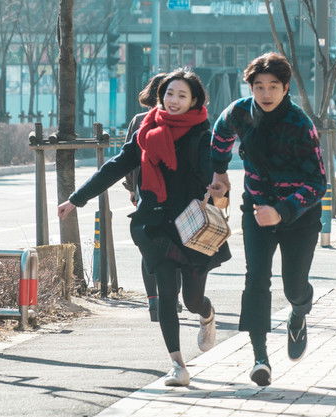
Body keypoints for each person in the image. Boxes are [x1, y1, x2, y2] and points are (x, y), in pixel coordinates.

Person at [59, 69, 231, 386]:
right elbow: (116, 166)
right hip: (155, 222)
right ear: (161, 96)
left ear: (194, 100)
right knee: (166, 293)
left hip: (190, 225)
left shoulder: (202, 135)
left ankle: (206, 315)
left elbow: (213, 174)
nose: (174, 100)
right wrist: (76, 198)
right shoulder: (146, 130)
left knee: (192, 299)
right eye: (169, 94)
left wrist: (219, 187)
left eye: (182, 95)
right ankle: (178, 365)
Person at [208, 53, 326, 386]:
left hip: (299, 216)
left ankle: (299, 312)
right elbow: (220, 133)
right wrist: (219, 171)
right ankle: (260, 358)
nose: (266, 93)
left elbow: (318, 183)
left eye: (273, 86)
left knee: (294, 286)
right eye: (259, 86)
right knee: (256, 280)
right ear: (251, 88)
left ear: (286, 88)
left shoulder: (300, 124)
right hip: (257, 211)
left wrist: (283, 210)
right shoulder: (240, 112)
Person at [122, 72, 183, 322]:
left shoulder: (138, 121)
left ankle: (153, 303)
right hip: (172, 195)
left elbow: (127, 160)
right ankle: (172, 299)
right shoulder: (179, 122)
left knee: (148, 248)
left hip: (143, 192)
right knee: (175, 248)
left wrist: (132, 190)